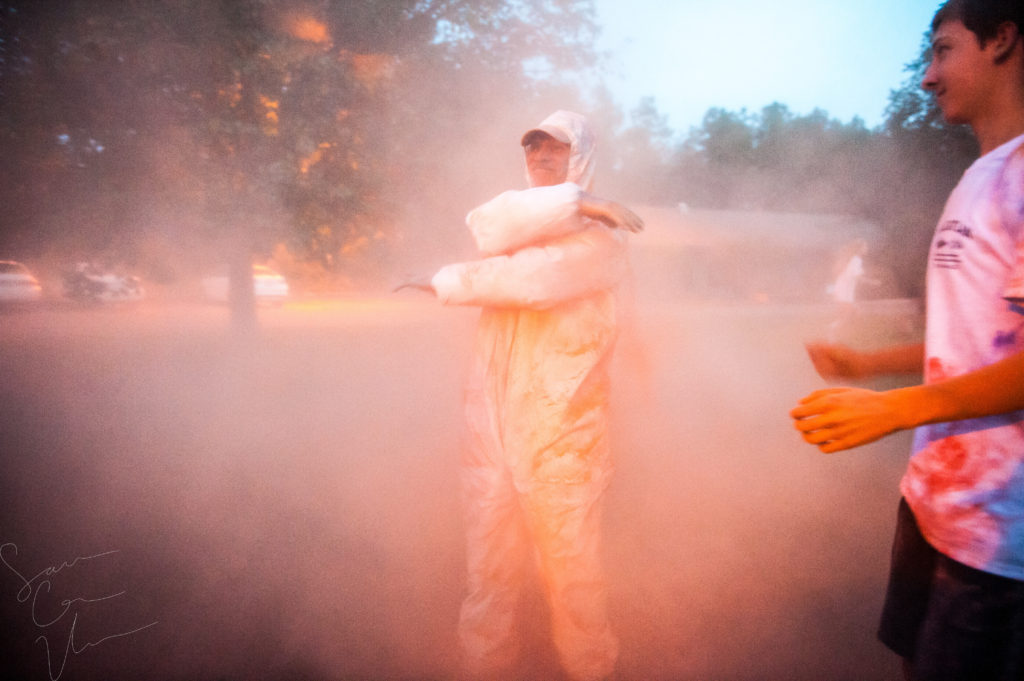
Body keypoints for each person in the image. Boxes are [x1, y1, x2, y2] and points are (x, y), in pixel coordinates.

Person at [790, 1, 1024, 679]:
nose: (927, 76)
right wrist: (870, 365)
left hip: (997, 538)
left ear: (1003, 39)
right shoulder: (979, 175)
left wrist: (896, 409)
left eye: (943, 50)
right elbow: (981, 342)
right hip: (931, 506)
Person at [397, 110, 642, 681]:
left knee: (574, 585)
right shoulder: (514, 232)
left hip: (562, 443)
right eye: (534, 149)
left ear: (580, 157)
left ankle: (592, 672)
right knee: (488, 580)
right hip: (490, 438)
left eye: (556, 149)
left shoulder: (602, 243)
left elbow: (530, 282)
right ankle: (484, 670)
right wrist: (580, 201)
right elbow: (486, 223)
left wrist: (442, 281)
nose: (542, 157)